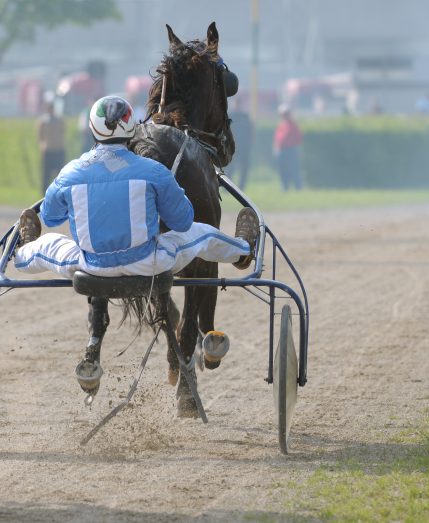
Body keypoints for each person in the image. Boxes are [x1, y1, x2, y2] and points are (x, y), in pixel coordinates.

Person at [13, 96, 259, 389]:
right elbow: (182, 222)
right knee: (201, 234)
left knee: (46, 245)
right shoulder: (154, 172)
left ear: (93, 129)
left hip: (90, 266)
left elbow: (51, 217)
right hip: (148, 262)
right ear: (132, 128)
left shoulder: (70, 173)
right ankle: (243, 250)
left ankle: (21, 251)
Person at [36, 99, 65, 191]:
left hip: (58, 149)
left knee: (59, 172)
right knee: (46, 173)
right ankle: (44, 192)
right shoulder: (43, 121)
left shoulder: (59, 120)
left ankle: (59, 190)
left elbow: (62, 132)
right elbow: (40, 135)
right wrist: (42, 145)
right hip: (48, 150)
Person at [273, 104, 303, 191]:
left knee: (294, 170)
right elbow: (277, 138)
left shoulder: (293, 125)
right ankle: (285, 187)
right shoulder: (281, 125)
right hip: (281, 151)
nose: (284, 115)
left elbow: (299, 138)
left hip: (291, 150)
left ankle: (298, 188)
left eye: (286, 113)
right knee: (283, 170)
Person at [227, 98, 253, 190]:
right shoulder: (229, 116)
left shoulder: (245, 116)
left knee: (244, 168)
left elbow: (250, 131)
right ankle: (228, 187)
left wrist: (249, 144)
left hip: (243, 147)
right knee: (229, 167)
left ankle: (241, 187)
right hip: (231, 146)